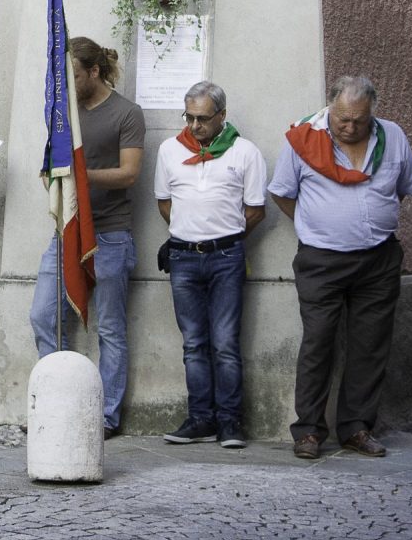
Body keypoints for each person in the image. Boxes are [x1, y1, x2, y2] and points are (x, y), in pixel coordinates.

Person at [268, 76, 412, 460]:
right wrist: (316, 225)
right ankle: (308, 431)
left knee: (370, 345)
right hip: (322, 261)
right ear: (330, 108)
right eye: (343, 120)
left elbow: (402, 188)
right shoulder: (303, 139)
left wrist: (369, 220)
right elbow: (282, 194)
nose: (350, 128)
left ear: (373, 113)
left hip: (379, 260)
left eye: (359, 120)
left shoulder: (394, 136)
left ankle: (356, 427)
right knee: (319, 342)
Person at [29, 37, 145, 439]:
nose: (67, 83)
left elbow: (129, 174)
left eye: (73, 75)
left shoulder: (127, 113)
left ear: (94, 72)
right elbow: (51, 164)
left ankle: (106, 416)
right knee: (43, 315)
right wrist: (53, 176)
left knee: (110, 328)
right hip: (66, 232)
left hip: (110, 234)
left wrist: (80, 176)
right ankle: (57, 402)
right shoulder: (64, 113)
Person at [154, 81, 266, 449]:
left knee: (225, 343)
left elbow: (255, 211)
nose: (195, 125)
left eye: (203, 118)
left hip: (226, 258)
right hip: (184, 257)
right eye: (190, 117)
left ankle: (230, 421)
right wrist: (190, 231)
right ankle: (200, 418)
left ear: (222, 116)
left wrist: (222, 236)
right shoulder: (170, 150)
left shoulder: (245, 152)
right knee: (193, 343)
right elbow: (164, 203)